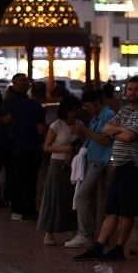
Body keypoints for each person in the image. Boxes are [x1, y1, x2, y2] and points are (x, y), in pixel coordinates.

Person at [74, 76, 138, 261]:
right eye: (129, 89)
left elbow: (129, 137)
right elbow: (106, 129)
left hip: (133, 166)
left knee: (126, 211)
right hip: (118, 165)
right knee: (112, 209)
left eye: (136, 89)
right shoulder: (125, 110)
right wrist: (119, 131)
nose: (132, 93)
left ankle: (119, 248)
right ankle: (99, 246)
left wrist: (117, 131)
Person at [65, 89, 115, 248]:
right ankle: (85, 232)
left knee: (81, 196)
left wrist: (84, 130)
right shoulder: (95, 117)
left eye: (88, 105)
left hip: (100, 161)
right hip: (91, 159)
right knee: (85, 197)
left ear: (98, 102)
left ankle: (84, 234)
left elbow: (105, 140)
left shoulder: (108, 115)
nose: (86, 109)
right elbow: (91, 139)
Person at [38, 95, 83, 245]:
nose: (74, 113)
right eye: (71, 111)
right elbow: (46, 146)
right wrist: (64, 148)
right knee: (54, 197)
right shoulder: (56, 126)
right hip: (58, 164)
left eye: (75, 110)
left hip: (73, 165)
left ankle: (72, 229)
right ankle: (49, 232)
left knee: (71, 197)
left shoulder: (79, 124)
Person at [8, 80, 47, 221]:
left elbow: (11, 119)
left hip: (19, 146)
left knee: (18, 179)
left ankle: (16, 210)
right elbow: (39, 129)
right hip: (32, 147)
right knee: (30, 180)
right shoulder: (39, 108)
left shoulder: (21, 104)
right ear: (43, 94)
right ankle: (28, 210)